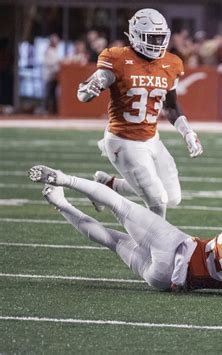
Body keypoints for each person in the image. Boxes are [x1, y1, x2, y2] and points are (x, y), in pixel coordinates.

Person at [28, 165, 222, 298]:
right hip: (166, 280)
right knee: (110, 240)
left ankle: (64, 181)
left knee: (120, 206)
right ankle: (60, 205)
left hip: (179, 246)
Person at [76, 9, 203, 218]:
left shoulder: (171, 63)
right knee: (157, 200)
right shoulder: (117, 58)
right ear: (135, 35)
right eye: (151, 37)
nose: (157, 42)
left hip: (151, 138)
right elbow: (84, 92)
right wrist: (88, 91)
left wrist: (187, 132)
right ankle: (155, 247)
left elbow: (170, 105)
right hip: (123, 140)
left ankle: (106, 185)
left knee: (173, 197)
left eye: (161, 37)